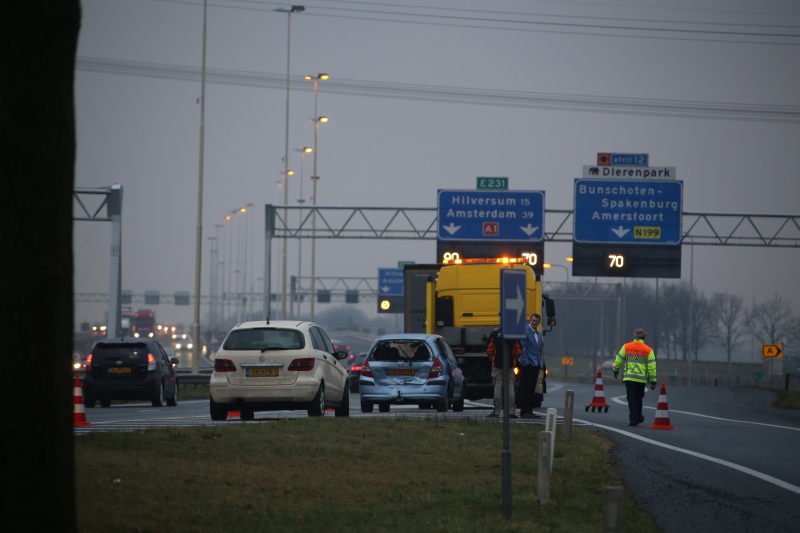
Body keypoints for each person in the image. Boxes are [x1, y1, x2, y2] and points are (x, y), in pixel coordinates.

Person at [613, 328, 657, 426]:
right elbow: (652, 367)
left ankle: (634, 418)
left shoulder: (626, 347)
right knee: (639, 398)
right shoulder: (648, 350)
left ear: (634, 336)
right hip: (641, 379)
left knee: (631, 398)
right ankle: (637, 417)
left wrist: (615, 370)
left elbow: (619, 360)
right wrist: (653, 381)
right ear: (644, 337)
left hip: (629, 378)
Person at [485, 329, 521, 418]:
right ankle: (511, 412)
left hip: (497, 365)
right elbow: (518, 351)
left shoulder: (494, 334)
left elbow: (489, 350)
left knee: (497, 387)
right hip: (510, 365)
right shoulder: (514, 334)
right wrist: (514, 361)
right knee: (510, 387)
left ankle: (496, 411)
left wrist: (493, 360)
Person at [518, 313, 543, 418]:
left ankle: (530, 410)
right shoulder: (525, 331)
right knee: (525, 387)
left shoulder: (539, 334)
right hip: (527, 364)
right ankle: (524, 411)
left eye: (536, 321)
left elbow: (539, 349)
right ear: (529, 320)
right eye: (533, 320)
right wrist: (526, 362)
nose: (534, 322)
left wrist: (539, 361)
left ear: (539, 322)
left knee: (532, 388)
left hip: (536, 363)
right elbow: (522, 349)